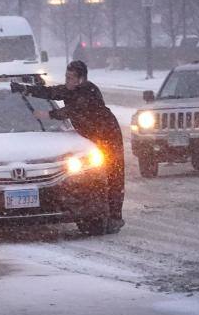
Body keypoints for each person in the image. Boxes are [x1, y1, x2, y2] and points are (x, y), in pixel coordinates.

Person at [12, 60, 125, 233]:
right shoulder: (69, 89)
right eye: (66, 76)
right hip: (90, 135)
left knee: (112, 174)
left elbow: (72, 110)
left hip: (108, 134)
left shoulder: (89, 91)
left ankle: (114, 217)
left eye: (70, 78)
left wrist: (47, 114)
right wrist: (26, 89)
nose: (67, 81)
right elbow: (51, 92)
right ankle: (102, 212)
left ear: (81, 79)